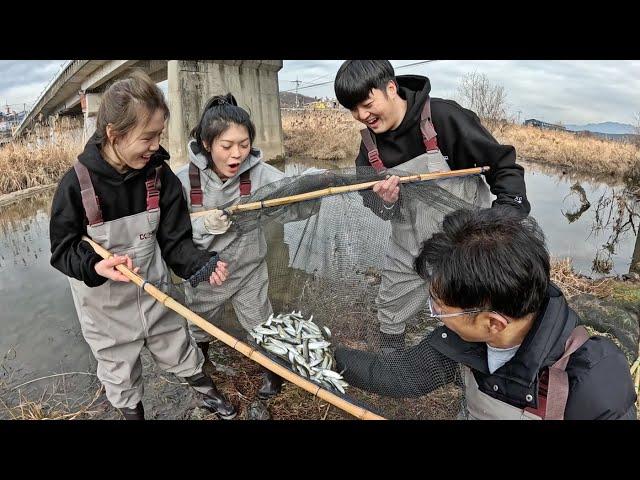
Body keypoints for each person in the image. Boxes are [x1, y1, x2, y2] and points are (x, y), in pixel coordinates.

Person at [49, 71, 237, 420]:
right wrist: (93, 266)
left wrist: (199, 263)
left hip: (155, 295)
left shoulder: (159, 177)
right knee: (120, 376)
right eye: (147, 137)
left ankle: (210, 397)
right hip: (105, 311)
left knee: (181, 348)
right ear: (114, 135)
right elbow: (63, 250)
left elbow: (175, 241)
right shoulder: (76, 185)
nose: (155, 146)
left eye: (159, 135)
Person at [334, 207, 638, 419]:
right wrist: (326, 357)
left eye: (440, 306)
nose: (434, 313)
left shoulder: (594, 382)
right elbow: (403, 375)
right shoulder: (463, 338)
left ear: (493, 323)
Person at [334, 60, 530, 351]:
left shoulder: (442, 116)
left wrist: (502, 224)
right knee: (389, 308)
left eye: (366, 103)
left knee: (470, 313)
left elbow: (503, 166)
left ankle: (468, 365)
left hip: (462, 249)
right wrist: (385, 202)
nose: (362, 116)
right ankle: (394, 365)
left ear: (390, 88)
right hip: (407, 247)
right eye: (353, 110)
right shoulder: (369, 146)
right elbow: (371, 200)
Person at [176, 93, 314, 403]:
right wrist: (201, 227)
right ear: (208, 144)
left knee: (261, 323)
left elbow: (294, 203)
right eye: (226, 146)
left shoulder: (262, 174)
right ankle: (202, 362)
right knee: (198, 325)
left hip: (249, 267)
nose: (236, 154)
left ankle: (273, 370)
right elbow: (170, 233)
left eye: (244, 144)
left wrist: (313, 188)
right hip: (205, 274)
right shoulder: (183, 180)